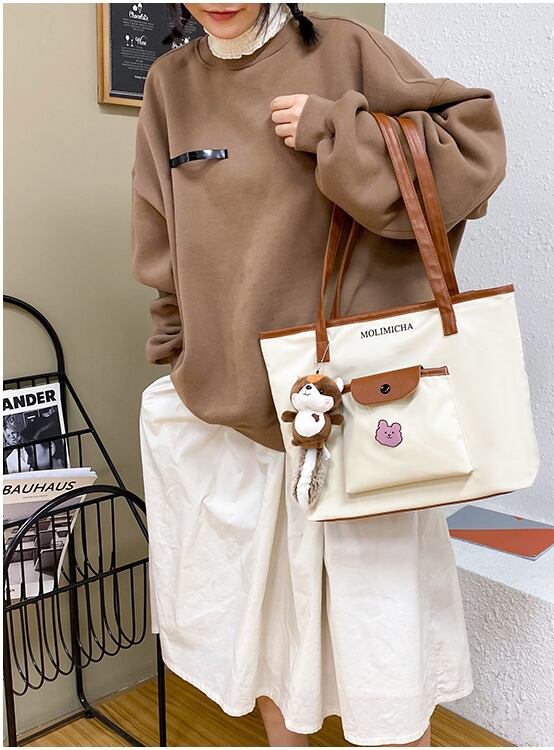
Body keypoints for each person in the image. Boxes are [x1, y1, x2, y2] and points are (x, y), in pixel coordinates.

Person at [131, 4, 507, 746]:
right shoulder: (169, 84)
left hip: (357, 418)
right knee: (268, 643)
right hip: (237, 422)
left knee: (383, 648)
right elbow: (159, 231)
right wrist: (177, 345)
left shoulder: (346, 47)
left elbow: (475, 151)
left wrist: (339, 132)